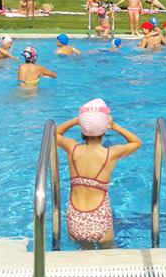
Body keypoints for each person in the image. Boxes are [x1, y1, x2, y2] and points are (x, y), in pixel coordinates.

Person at [56, 98, 142, 247]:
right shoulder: (110, 154)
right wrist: (114, 126)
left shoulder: (72, 148)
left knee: (84, 254)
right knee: (109, 253)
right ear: (104, 129)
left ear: (82, 128)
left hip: (76, 220)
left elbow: (54, 133)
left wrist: (76, 120)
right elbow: (136, 142)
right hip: (99, 219)